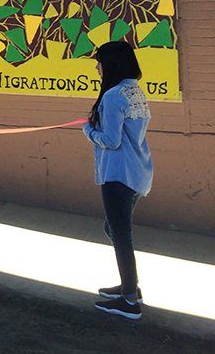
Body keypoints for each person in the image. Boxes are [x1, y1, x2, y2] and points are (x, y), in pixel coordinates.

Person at [83, 40, 153, 320]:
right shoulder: (133, 90)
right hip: (137, 171)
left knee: (121, 235)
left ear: (111, 64)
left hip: (118, 174)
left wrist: (88, 131)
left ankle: (129, 301)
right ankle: (128, 286)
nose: (97, 67)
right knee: (113, 229)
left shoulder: (113, 96)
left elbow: (110, 141)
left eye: (99, 62)